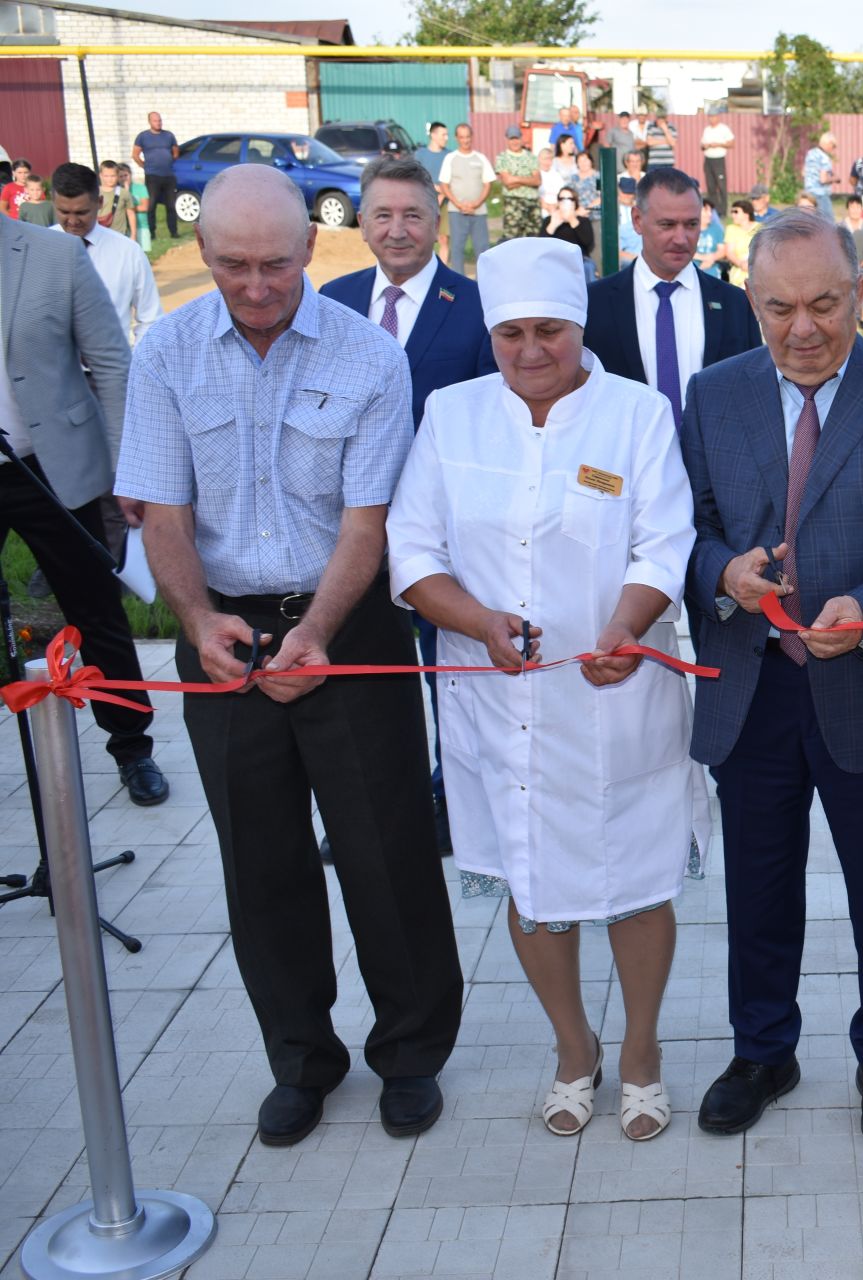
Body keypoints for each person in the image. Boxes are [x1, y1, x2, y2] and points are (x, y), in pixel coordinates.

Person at [115, 165, 463, 1147]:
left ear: (315, 250)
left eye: (275, 263)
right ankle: (302, 1058)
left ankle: (411, 1051)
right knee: (259, 861)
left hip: (345, 624)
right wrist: (193, 618)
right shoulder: (168, 351)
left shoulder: (366, 356)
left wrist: (316, 627)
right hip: (220, 629)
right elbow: (161, 504)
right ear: (204, 256)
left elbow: (368, 519)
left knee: (384, 848)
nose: (256, 284)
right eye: (232, 265)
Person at [385, 235, 699, 1141]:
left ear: (580, 325)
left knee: (636, 880)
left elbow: (662, 544)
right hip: (496, 695)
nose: (531, 350)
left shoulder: (635, 415)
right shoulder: (452, 414)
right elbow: (414, 551)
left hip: (614, 688)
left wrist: (627, 626)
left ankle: (641, 1050)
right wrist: (479, 621)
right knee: (531, 879)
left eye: (550, 331)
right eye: (512, 331)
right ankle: (574, 1049)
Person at [678, 214, 863, 1146]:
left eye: (823, 304)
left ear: (862, 289)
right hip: (752, 686)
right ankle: (763, 1048)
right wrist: (723, 571)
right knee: (757, 887)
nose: (801, 328)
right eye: (777, 307)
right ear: (751, 300)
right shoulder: (714, 393)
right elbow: (681, 526)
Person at [319, 155, 495, 851]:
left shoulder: (477, 308)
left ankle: (455, 801)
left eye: (412, 215)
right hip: (346, 530)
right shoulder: (329, 301)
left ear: (437, 221)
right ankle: (373, 808)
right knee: (360, 677)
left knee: (446, 676)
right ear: (361, 222)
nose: (397, 230)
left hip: (445, 534)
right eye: (383, 215)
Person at [0, 202, 166, 806]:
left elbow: (113, 363)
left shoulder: (53, 254)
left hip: (51, 464)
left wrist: (129, 466)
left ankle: (132, 746)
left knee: (95, 609)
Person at [581, 165, 761, 416]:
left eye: (691, 224)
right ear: (637, 220)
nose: (680, 238)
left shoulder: (735, 305)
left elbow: (752, 396)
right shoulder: (593, 305)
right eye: (667, 225)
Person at [49, 163, 161, 347]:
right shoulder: (37, 249)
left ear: (100, 203)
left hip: (112, 371)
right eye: (64, 212)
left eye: (81, 212)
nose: (72, 221)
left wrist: (134, 366)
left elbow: (150, 319)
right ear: (54, 203)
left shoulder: (128, 252)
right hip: (50, 371)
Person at [438, 124, 496, 274]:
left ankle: (481, 284)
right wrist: (458, 204)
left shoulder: (481, 158)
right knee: (457, 248)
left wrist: (476, 203)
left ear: (472, 137)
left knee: (482, 249)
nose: (465, 140)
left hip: (478, 211)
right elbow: (444, 184)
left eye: (467, 137)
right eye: (462, 137)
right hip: (456, 211)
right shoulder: (450, 158)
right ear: (456, 138)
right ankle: (459, 283)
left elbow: (488, 183)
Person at [132, 112, 179, 239]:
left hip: (168, 175)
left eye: (159, 120)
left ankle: (174, 232)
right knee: (151, 205)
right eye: (155, 121)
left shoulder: (168, 135)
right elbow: (135, 155)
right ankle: (152, 232)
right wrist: (145, 166)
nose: (158, 123)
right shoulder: (143, 136)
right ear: (150, 122)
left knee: (171, 205)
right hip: (152, 176)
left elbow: (175, 152)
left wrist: (168, 161)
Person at [495, 125, 542, 240]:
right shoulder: (502, 158)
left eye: (517, 138)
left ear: (521, 138)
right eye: (512, 139)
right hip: (513, 202)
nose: (515, 142)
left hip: (533, 202)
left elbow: (537, 180)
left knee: (534, 237)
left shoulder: (531, 157)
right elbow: (507, 182)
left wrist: (515, 178)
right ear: (507, 140)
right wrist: (527, 179)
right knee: (512, 238)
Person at [413, 122, 450, 261]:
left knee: (443, 238)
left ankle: (443, 268)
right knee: (423, 237)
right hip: (424, 201)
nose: (446, 138)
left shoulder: (449, 154)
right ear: (433, 135)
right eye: (443, 134)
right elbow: (416, 177)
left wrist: (443, 194)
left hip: (445, 201)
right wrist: (435, 188)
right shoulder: (420, 154)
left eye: (447, 134)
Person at [543, 185, 595, 270]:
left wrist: (572, 220)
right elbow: (541, 245)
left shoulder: (583, 221)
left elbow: (589, 244)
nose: (565, 202)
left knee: (588, 267)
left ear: (575, 202)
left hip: (579, 260)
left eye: (570, 199)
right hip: (554, 259)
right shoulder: (549, 220)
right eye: (562, 199)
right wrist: (553, 225)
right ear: (558, 202)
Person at [699, 107, 734, 207]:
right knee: (711, 186)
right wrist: (705, 146)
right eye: (710, 117)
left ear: (718, 117)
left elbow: (731, 144)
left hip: (718, 159)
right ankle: (714, 208)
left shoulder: (724, 129)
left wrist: (718, 144)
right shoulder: (707, 130)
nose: (711, 119)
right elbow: (701, 145)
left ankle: (723, 209)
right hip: (708, 159)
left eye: (713, 117)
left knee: (721, 185)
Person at [722, 198, 759, 282]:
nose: (733, 215)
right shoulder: (731, 229)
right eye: (732, 212)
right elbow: (729, 252)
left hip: (757, 269)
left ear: (746, 214)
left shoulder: (760, 228)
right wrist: (741, 264)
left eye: (736, 212)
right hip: (739, 270)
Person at [804, 132, 838, 210]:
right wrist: (835, 179)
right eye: (834, 146)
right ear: (829, 143)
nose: (833, 149)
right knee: (828, 220)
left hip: (808, 192)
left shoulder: (810, 153)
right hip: (820, 194)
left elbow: (804, 172)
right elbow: (823, 180)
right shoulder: (825, 158)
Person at [694, 197, 726, 279]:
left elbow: (722, 251)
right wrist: (704, 258)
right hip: (691, 268)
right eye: (706, 210)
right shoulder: (689, 229)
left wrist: (711, 259)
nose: (710, 214)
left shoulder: (717, 229)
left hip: (712, 269)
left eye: (710, 211)